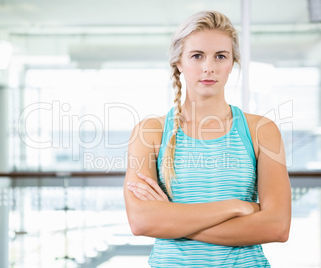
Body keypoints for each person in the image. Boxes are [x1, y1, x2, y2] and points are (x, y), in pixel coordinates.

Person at [123, 10, 291, 267]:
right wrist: (234, 207)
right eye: (197, 56)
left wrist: (172, 222)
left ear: (232, 62)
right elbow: (141, 221)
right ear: (179, 61)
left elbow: (277, 226)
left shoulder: (260, 130)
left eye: (220, 56)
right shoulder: (150, 132)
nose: (209, 67)